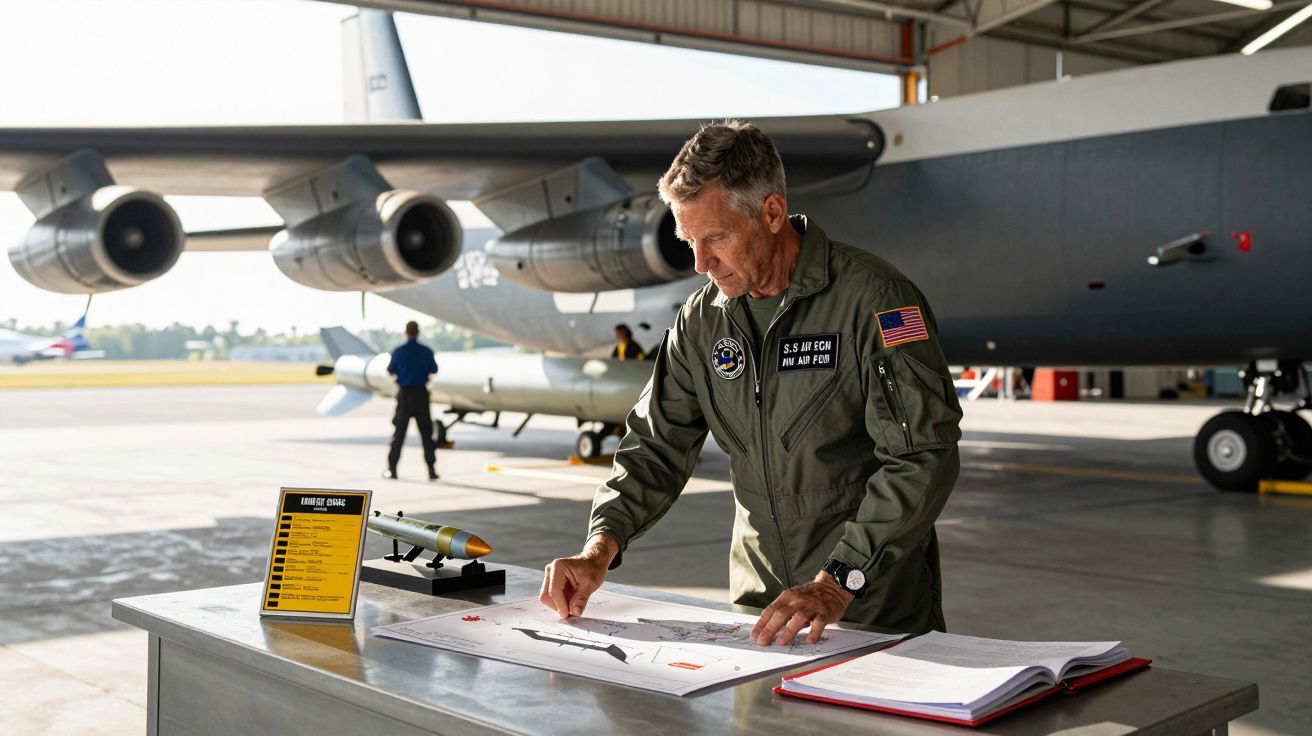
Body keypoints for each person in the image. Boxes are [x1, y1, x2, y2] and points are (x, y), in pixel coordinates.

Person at [540, 121, 962, 645]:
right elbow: (656, 443)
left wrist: (839, 581)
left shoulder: (877, 299)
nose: (699, 263)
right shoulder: (702, 320)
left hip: (870, 610)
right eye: (688, 240)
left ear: (771, 213)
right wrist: (598, 549)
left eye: (715, 237)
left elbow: (923, 454)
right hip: (758, 616)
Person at [383, 320, 439, 481]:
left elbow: (391, 371)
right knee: (426, 435)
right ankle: (431, 470)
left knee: (399, 435)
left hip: (405, 395)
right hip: (421, 395)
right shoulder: (426, 351)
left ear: (406, 332)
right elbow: (433, 370)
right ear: (418, 332)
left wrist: (400, 382)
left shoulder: (399, 351)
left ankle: (392, 469)